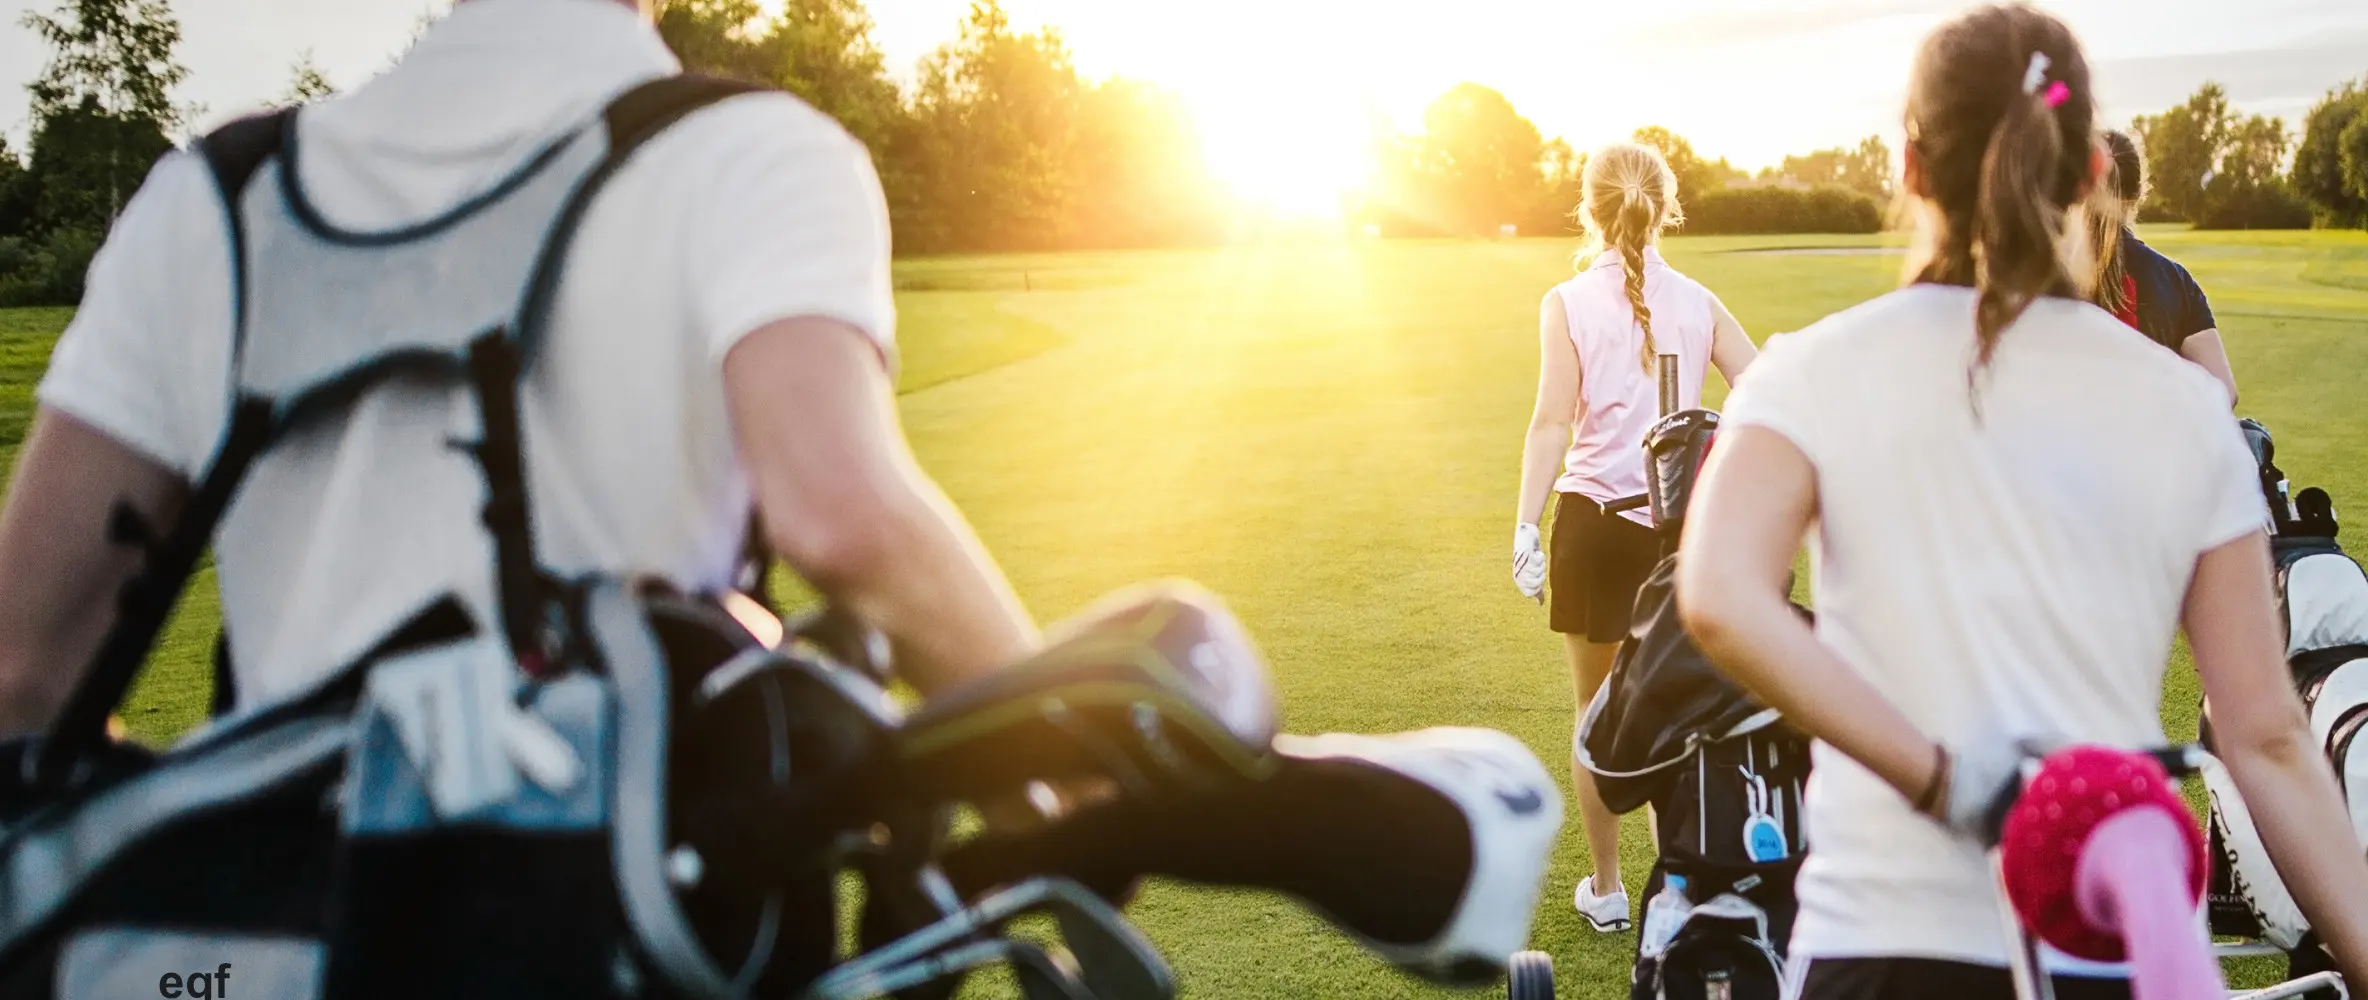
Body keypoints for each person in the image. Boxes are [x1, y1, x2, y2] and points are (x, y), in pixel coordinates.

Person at [0, 0, 1556, 986]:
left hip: (308, 937)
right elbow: (840, 515)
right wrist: (1063, 783)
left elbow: (24, 673)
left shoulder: (210, 199)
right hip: (632, 930)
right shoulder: (748, 150)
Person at [1673, 5, 2368, 999]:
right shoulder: (2187, 410)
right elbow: (2267, 737)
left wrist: (1946, 780)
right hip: (2092, 951)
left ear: (1908, 166)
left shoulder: (1809, 371)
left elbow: (1721, 594)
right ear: (2091, 176)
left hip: (1876, 951)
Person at [1509, 142, 1758, 932]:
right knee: (1678, 716)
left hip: (1592, 530)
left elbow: (1552, 422)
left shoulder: (1566, 300)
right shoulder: (1699, 299)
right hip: (1677, 538)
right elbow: (1760, 391)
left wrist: (1523, 526)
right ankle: (1676, 894)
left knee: (1596, 710)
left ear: (1588, 206)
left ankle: (1610, 891)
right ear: (1667, 204)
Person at [2088, 129, 2236, 401]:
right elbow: (2224, 392)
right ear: (2139, 193)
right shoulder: (2175, 280)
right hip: (2152, 441)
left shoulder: (2045, 277)